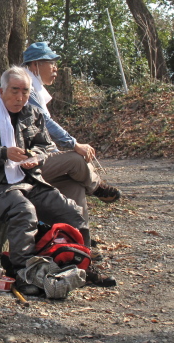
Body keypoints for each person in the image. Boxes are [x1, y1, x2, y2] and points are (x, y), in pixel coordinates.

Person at [0, 67, 115, 288]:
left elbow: (45, 147)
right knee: (23, 211)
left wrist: (36, 157)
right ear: (2, 91)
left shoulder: (32, 114)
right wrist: (3, 153)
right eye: (15, 91)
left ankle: (82, 265)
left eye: (25, 91)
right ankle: (23, 272)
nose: (20, 97)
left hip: (29, 178)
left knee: (71, 211)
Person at [22, 42, 122, 249]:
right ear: (35, 65)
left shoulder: (35, 89)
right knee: (76, 160)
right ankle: (97, 187)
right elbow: (45, 122)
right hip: (25, 164)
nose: (55, 68)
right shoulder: (26, 89)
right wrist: (74, 144)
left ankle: (80, 240)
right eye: (51, 63)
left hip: (40, 158)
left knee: (74, 187)